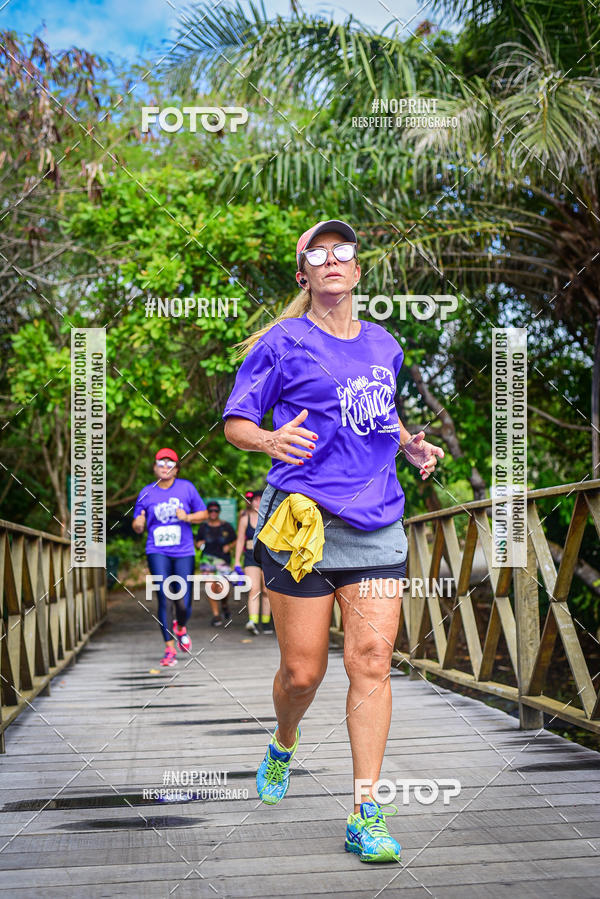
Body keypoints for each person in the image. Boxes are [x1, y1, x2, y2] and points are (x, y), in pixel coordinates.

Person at [223, 219, 444, 862]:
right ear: (304, 274)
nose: (331, 260)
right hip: (303, 524)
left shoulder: (384, 344)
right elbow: (237, 421)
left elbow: (378, 408)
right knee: (302, 671)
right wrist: (267, 440)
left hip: (377, 523)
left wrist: (409, 443)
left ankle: (365, 810)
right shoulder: (281, 342)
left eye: (341, 251)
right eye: (317, 253)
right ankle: (284, 740)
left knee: (371, 662)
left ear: (356, 269)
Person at [132, 448, 208, 666]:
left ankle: (181, 627)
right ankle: (169, 649)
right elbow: (138, 522)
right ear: (155, 468)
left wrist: (188, 516)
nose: (165, 467)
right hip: (157, 550)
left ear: (176, 469)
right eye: (161, 463)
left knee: (183, 602)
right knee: (165, 596)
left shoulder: (187, 488)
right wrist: (138, 524)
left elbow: (203, 514)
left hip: (184, 551)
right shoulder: (146, 492)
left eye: (170, 464)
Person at [233, 490, 272, 635]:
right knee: (253, 589)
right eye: (255, 500)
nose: (258, 502)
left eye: (261, 499)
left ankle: (266, 622)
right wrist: (237, 561)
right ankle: (253, 621)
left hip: (267, 556)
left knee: (267, 591)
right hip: (250, 557)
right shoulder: (245, 519)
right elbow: (240, 540)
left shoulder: (271, 517)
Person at [195, 501, 236, 627]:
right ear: (208, 512)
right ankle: (216, 615)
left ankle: (224, 604)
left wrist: (229, 546)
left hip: (223, 561)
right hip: (207, 560)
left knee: (222, 588)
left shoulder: (226, 526)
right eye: (211, 510)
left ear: (219, 512)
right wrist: (199, 544)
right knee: (210, 586)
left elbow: (236, 540)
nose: (213, 513)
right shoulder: (203, 527)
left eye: (215, 511)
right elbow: (197, 544)